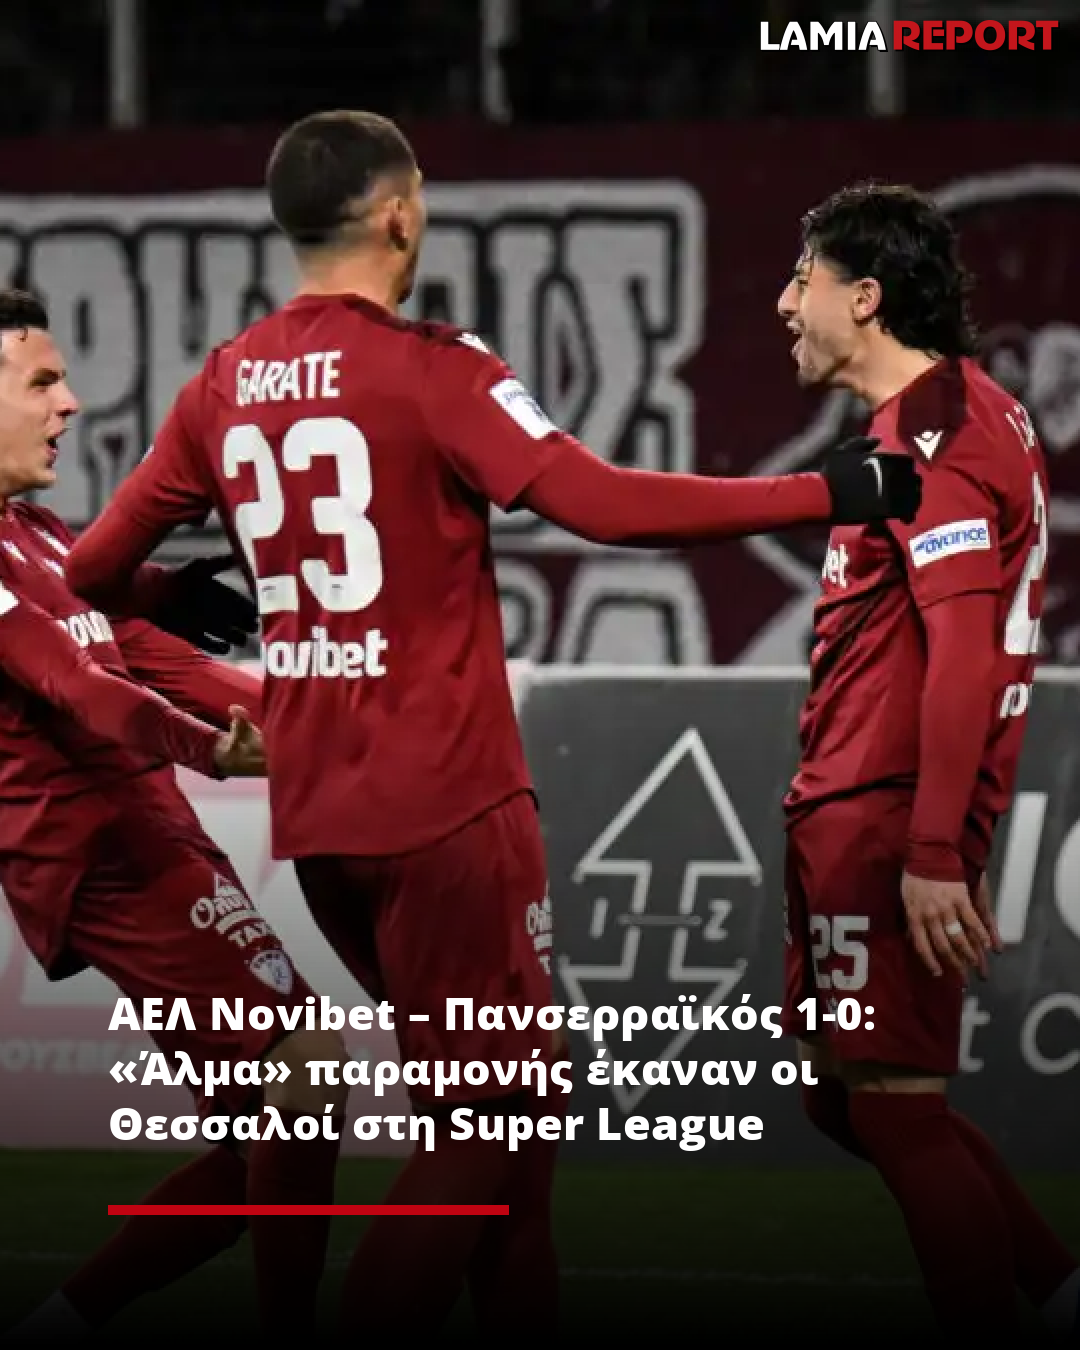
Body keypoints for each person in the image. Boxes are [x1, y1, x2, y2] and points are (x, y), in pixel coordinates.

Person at [64, 111, 920, 1336]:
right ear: (399, 213)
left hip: (321, 824)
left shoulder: (224, 382)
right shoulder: (433, 367)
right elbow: (602, 505)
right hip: (448, 811)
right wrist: (823, 491)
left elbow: (90, 570)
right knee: (499, 1119)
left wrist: (167, 592)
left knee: (509, 1144)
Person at [0, 289, 348, 1340]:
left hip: (144, 827)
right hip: (105, 855)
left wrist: (165, 592)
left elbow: (122, 638)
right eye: (43, 382)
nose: (71, 403)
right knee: (308, 1068)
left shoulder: (32, 531)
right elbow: (80, 686)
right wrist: (211, 749)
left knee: (261, 1149)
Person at [774, 182, 1079, 1336]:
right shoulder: (966, 416)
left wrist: (937, 846)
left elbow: (961, 652)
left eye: (802, 279)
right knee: (844, 1100)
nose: (784, 304)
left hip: (882, 807)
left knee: (897, 1112)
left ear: (865, 297)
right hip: (866, 801)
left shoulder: (935, 442)